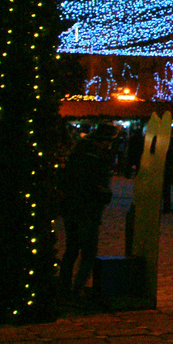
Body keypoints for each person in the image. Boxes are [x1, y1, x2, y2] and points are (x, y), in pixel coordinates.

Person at [58, 123, 114, 297]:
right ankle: (78, 287)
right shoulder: (97, 158)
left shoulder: (77, 153)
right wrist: (104, 193)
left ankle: (64, 285)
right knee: (88, 252)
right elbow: (95, 185)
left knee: (71, 248)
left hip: (71, 207)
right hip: (88, 209)